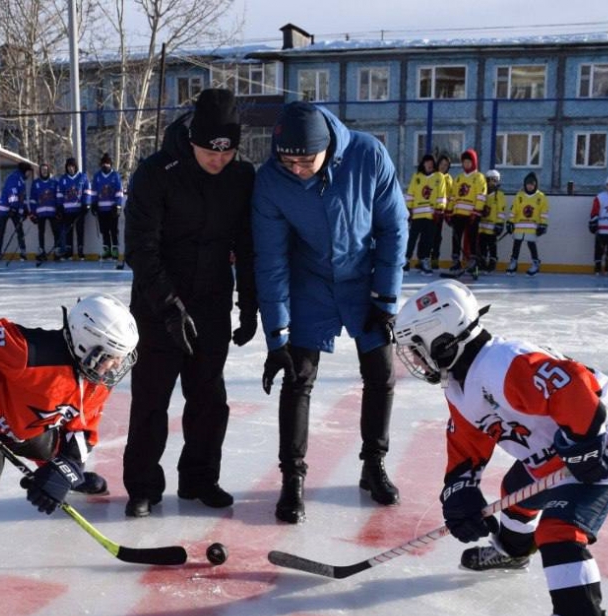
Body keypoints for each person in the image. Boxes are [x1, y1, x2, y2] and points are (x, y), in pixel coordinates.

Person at [391, 279, 608, 616]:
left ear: (444, 336)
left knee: (560, 532)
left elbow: (572, 386)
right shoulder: (461, 385)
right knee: (514, 491)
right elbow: (467, 444)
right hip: (559, 451)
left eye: (417, 346)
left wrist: (586, 440)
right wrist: (460, 492)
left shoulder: (502, 364)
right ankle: (511, 548)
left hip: (606, 448)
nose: (414, 359)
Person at [0, 293, 139, 616]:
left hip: (30, 428)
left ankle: (56, 471)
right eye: (109, 357)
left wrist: (66, 469)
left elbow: (81, 429)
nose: (114, 366)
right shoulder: (28, 351)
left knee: (57, 456)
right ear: (83, 343)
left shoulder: (95, 379)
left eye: (121, 359)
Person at [253, 100, 407, 523]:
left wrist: (386, 299)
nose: (297, 169)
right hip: (310, 283)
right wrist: (277, 335)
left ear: (328, 149)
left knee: (381, 372)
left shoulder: (368, 154)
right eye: (289, 161)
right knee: (298, 377)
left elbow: (393, 226)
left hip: (364, 279)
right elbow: (271, 259)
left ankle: (373, 464)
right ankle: (293, 477)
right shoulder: (271, 181)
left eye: (306, 161)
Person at [121, 87, 257, 517]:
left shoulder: (241, 177)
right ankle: (143, 486)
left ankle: (200, 480)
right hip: (157, 302)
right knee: (151, 400)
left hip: (212, 301)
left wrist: (250, 305)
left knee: (209, 400)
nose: (219, 159)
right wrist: (167, 305)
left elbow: (249, 245)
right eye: (211, 150)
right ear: (193, 138)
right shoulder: (156, 172)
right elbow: (141, 248)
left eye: (228, 151)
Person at [447, 148, 487, 278]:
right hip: (458, 214)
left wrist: (476, 212)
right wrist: (449, 211)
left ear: (474, 163)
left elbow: (481, 196)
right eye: (464, 162)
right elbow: (453, 196)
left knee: (472, 239)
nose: (466, 164)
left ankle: (473, 263)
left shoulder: (479, 177)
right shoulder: (458, 178)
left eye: (469, 162)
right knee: (456, 239)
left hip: (472, 215)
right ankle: (456, 261)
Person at [405, 153, 444, 274]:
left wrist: (439, 209)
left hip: (431, 216)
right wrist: (408, 209)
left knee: (428, 240)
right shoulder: (417, 177)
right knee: (411, 238)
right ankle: (405, 260)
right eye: (426, 162)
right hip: (417, 215)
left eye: (431, 162)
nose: (429, 164)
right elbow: (411, 194)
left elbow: (441, 195)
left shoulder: (439, 177)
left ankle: (424, 261)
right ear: (423, 164)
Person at [506, 172, 549, 276]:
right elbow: (514, 210)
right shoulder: (520, 195)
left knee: (531, 244)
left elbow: (544, 213)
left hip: (532, 228)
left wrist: (543, 225)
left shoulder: (541, 197)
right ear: (525, 184)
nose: (529, 186)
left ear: (535, 185)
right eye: (528, 184)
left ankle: (535, 263)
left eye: (532, 184)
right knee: (516, 244)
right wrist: (510, 222)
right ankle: (513, 262)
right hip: (519, 227)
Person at [0, 161, 32, 259]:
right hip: (5, 209)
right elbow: (12, 193)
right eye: (29, 172)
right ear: (25, 170)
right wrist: (13, 207)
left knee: (20, 230)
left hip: (14, 208)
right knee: (1, 230)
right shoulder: (14, 178)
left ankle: (23, 251)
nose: (29, 174)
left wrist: (24, 210)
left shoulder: (21, 180)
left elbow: (21, 196)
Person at [57, 156, 92, 259]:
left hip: (79, 210)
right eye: (68, 167)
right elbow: (59, 194)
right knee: (68, 232)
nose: (70, 168)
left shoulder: (83, 177)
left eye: (72, 166)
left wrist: (86, 204)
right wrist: (60, 207)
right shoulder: (63, 179)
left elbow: (87, 192)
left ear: (75, 167)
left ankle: (81, 251)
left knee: (80, 230)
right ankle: (69, 252)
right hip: (67, 211)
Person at [92, 153, 124, 263]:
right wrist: (93, 204)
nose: (106, 165)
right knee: (104, 230)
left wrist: (117, 204)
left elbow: (119, 191)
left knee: (113, 230)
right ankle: (106, 249)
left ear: (110, 164)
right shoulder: (97, 176)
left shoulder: (115, 175)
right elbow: (94, 192)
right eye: (104, 163)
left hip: (112, 209)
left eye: (108, 163)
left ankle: (115, 249)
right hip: (101, 209)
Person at [476, 168, 507, 273]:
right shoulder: (483, 194)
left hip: (493, 228)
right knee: (482, 245)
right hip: (482, 227)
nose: (492, 183)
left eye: (495, 180)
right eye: (490, 180)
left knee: (492, 246)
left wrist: (499, 224)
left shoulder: (499, 196)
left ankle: (492, 262)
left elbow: (501, 211)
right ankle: (482, 262)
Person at [30, 162, 60, 261]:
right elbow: (32, 199)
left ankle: (57, 250)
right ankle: (41, 250)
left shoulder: (54, 182)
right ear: (40, 171)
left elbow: (58, 197)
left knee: (56, 231)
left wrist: (59, 209)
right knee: (41, 232)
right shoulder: (36, 183)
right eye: (42, 170)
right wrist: (33, 213)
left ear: (48, 171)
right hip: (40, 212)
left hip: (53, 212)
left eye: (46, 170)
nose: (44, 171)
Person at [429, 154, 453, 269]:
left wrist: (448, 212)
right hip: (429, 211)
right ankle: (423, 257)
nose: (443, 167)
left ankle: (434, 258)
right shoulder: (432, 176)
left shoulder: (449, 179)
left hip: (441, 212)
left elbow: (451, 196)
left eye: (446, 165)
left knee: (437, 236)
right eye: (442, 164)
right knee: (427, 235)